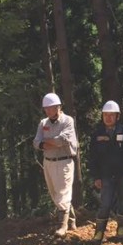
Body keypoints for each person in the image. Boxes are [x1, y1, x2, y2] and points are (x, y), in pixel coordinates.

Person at [89, 100, 123, 244]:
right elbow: (93, 158)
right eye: (105, 115)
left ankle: (121, 229)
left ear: (117, 116)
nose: (108, 118)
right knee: (105, 203)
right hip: (105, 176)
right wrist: (96, 177)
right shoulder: (97, 134)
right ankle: (99, 232)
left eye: (111, 115)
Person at [33, 92, 79, 237]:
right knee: (55, 193)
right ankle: (71, 222)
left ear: (58, 107)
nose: (48, 111)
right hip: (48, 162)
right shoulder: (43, 123)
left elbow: (63, 140)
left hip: (64, 161)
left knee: (63, 192)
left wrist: (47, 142)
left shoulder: (67, 121)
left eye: (51, 108)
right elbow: (36, 142)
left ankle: (62, 225)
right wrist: (49, 143)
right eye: (46, 108)